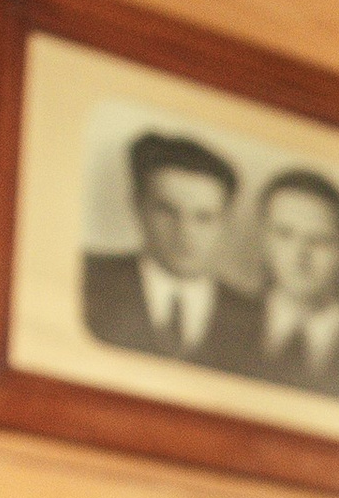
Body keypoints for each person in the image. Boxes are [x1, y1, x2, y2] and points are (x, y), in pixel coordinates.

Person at [82, 131, 263, 369]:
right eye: (167, 211)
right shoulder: (88, 277)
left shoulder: (256, 318)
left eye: (204, 218)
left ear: (227, 221)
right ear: (138, 206)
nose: (185, 233)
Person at [251, 169, 339, 404]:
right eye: (285, 234)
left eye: (319, 241)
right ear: (264, 239)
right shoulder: (220, 321)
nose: (299, 256)